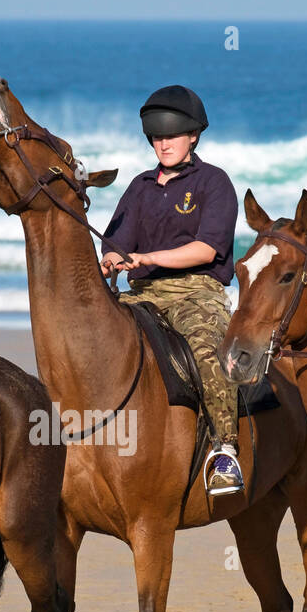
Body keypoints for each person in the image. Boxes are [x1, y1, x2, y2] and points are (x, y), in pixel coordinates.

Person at [100, 85, 243, 495]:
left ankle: (225, 451)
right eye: (157, 137)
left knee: (208, 351)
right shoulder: (139, 186)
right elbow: (114, 243)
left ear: (193, 136)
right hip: (141, 293)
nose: (163, 144)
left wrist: (149, 258)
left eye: (172, 136)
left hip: (196, 292)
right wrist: (112, 260)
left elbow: (207, 248)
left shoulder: (214, 182)